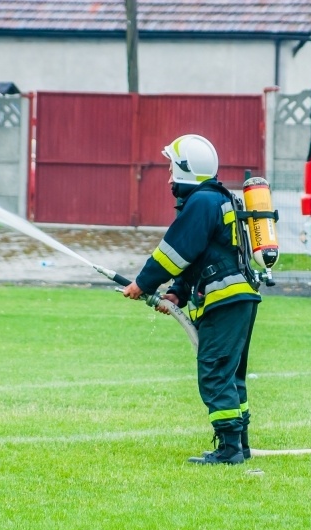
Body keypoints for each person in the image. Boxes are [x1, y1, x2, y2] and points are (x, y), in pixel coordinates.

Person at [123, 134, 261, 465]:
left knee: (214, 372)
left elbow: (175, 251)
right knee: (230, 374)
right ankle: (238, 443)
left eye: (172, 169)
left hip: (224, 302)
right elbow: (199, 258)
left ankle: (229, 451)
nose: (169, 178)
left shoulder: (201, 202)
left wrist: (142, 283)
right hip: (238, 299)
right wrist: (175, 294)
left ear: (186, 171)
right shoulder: (215, 199)